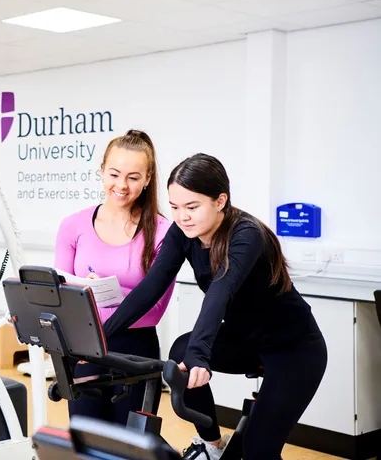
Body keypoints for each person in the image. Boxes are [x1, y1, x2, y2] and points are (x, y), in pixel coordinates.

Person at [103, 153, 328, 460]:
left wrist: (200, 355)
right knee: (181, 350)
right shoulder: (182, 233)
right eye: (176, 207)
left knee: (258, 449)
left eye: (192, 207)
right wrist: (101, 334)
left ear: (220, 201)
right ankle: (212, 445)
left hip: (293, 349)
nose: (183, 217)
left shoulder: (246, 234)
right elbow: (150, 288)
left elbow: (221, 291)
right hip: (247, 342)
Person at [54, 129, 175, 426]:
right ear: (102, 172)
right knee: (85, 441)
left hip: (135, 352)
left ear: (148, 179)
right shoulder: (73, 225)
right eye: (114, 174)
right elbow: (59, 293)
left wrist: (103, 297)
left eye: (133, 177)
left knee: (131, 444)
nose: (121, 185)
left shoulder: (163, 232)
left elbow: (155, 310)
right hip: (85, 349)